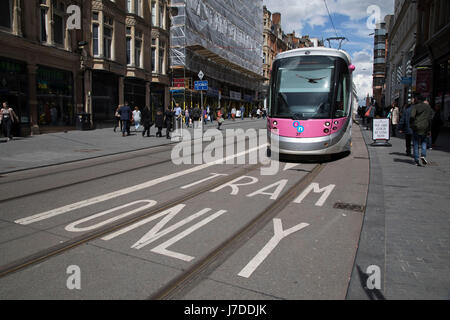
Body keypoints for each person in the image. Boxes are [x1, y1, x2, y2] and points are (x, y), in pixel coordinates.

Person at [410, 94, 433, 166]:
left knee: (416, 144)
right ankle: (423, 155)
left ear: (418, 99)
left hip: (417, 127)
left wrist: (411, 124)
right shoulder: (428, 107)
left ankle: (416, 160)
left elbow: (412, 116)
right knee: (424, 142)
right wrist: (429, 129)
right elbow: (430, 118)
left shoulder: (416, 107)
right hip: (425, 127)